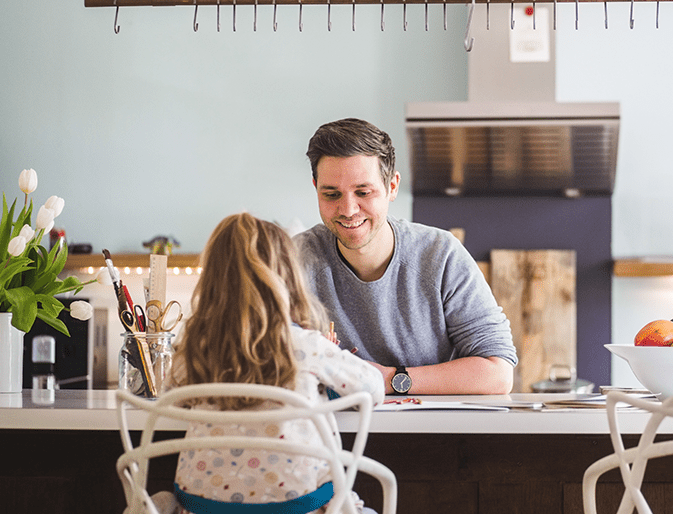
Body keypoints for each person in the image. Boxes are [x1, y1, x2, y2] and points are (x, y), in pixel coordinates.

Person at [167, 212, 385, 514]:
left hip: (204, 505)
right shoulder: (308, 345)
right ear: (288, 277)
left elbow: (171, 400)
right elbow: (373, 389)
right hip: (299, 505)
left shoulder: (194, 342)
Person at [294, 118, 517, 396]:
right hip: (332, 435)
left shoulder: (440, 254)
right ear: (316, 187)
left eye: (363, 192)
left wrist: (389, 379)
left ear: (392, 186)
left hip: (432, 433)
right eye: (331, 194)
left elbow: (498, 373)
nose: (348, 209)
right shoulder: (293, 260)